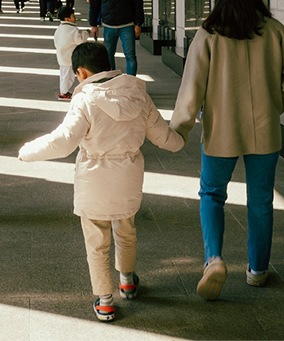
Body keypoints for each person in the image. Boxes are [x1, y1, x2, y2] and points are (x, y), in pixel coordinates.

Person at [18, 42, 184, 322]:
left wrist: (27, 152)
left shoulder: (85, 100)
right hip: (128, 178)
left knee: (96, 241)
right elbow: (162, 136)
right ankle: (128, 281)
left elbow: (63, 141)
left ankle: (105, 301)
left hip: (94, 180)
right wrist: (180, 140)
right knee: (126, 230)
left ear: (82, 72)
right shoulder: (138, 92)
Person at [169, 0, 284, 299]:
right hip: (264, 131)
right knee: (261, 200)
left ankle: (214, 259)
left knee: (212, 194)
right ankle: (258, 270)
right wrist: (274, 105)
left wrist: (178, 130)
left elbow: (192, 89)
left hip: (222, 130)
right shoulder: (274, 31)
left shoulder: (208, 35)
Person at [89, 0, 144, 75]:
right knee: (108, 56)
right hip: (109, 26)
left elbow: (138, 2)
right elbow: (94, 4)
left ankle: (131, 83)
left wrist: (138, 23)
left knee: (130, 56)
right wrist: (93, 25)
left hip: (127, 25)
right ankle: (112, 81)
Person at [52, 4, 89, 100]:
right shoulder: (72, 30)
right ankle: (64, 93)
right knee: (69, 77)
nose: (75, 18)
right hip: (70, 58)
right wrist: (86, 33)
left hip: (62, 56)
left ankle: (64, 91)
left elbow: (56, 41)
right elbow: (80, 40)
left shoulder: (59, 29)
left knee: (64, 75)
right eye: (73, 16)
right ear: (67, 19)